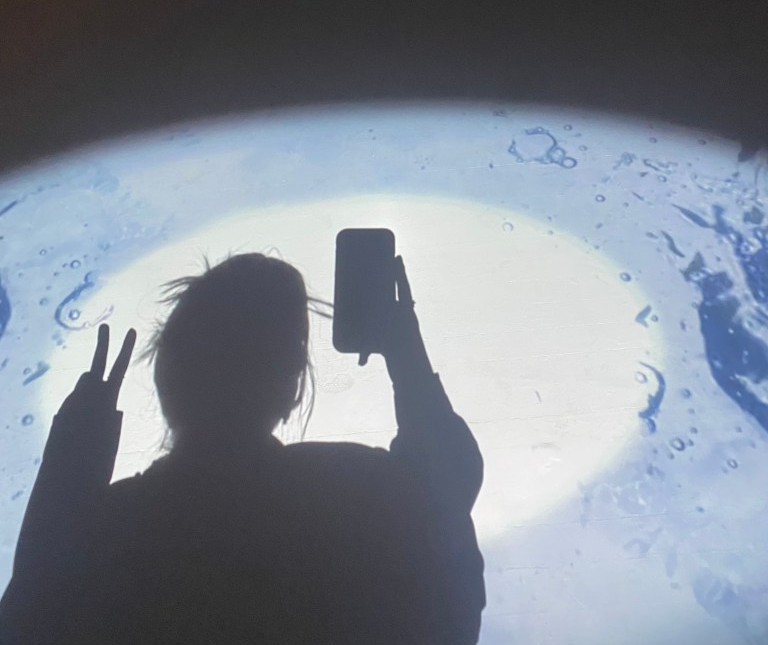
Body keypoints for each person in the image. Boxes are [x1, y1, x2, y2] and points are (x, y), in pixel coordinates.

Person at [0, 252, 485, 644]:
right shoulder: (353, 492)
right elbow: (443, 492)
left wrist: (70, 470)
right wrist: (405, 355)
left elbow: (29, 621)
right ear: (291, 384)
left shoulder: (105, 533)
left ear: (167, 373)